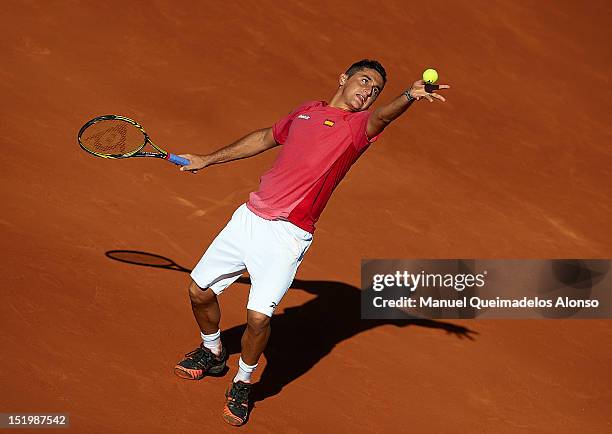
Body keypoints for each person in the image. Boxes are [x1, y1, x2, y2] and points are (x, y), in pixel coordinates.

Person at [174, 59, 449, 426]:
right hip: (248, 219)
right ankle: (213, 353)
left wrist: (408, 97)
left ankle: (243, 381)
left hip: (287, 236)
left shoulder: (356, 129)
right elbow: (266, 136)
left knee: (258, 318)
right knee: (199, 291)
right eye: (364, 81)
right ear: (343, 79)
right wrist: (207, 159)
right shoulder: (306, 111)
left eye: (375, 89)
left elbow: (382, 117)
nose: (368, 91)